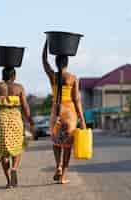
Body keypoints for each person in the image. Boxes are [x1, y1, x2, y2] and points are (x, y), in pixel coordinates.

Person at [0, 44, 35, 188]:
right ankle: (14, 169)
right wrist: (31, 122)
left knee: (3, 152)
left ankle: (8, 181)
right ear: (14, 75)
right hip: (15, 119)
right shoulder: (19, 88)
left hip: (1, 120)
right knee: (17, 148)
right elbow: (25, 107)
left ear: (2, 76)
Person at [42, 40, 86, 184]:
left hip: (56, 111)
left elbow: (44, 62)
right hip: (69, 113)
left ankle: (58, 166)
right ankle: (64, 176)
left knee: (56, 142)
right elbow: (77, 100)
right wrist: (82, 120)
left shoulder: (52, 76)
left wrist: (47, 43)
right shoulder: (73, 78)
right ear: (67, 62)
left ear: (56, 63)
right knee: (67, 144)